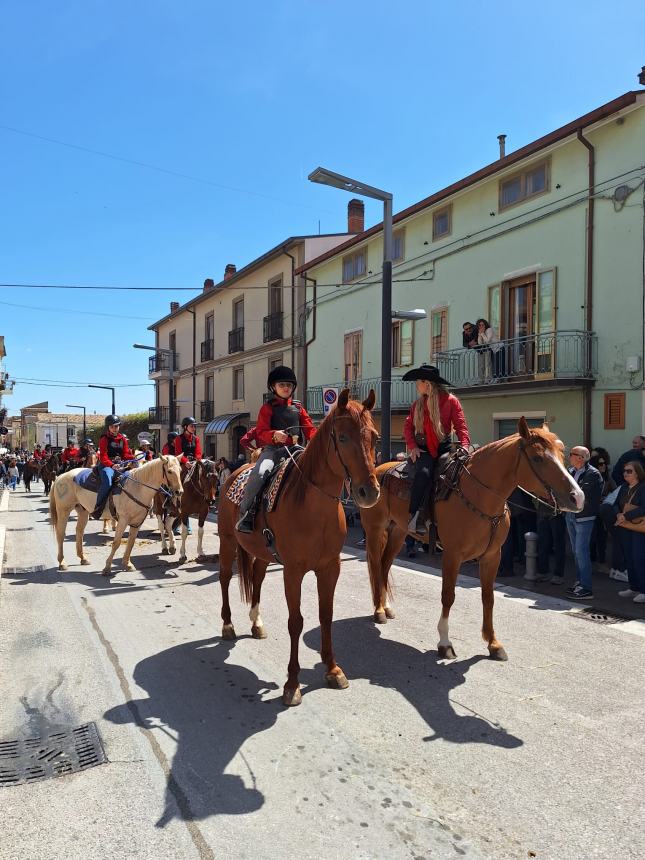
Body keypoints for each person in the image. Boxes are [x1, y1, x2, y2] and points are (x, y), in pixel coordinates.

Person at [236, 365, 316, 533]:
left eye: (289, 385)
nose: (286, 388)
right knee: (259, 474)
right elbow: (260, 432)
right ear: (273, 387)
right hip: (272, 451)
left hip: (296, 449)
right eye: (281, 385)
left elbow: (310, 430)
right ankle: (246, 514)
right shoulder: (267, 408)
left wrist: (320, 441)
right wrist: (273, 434)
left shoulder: (299, 408)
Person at [402, 363, 471, 535]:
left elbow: (461, 426)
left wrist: (465, 445)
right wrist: (412, 447)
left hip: (444, 448)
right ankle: (416, 515)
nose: (417, 384)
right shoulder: (417, 404)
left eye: (419, 381)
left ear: (428, 383)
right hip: (423, 449)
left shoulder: (451, 401)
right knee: (424, 474)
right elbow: (408, 427)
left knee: (457, 474)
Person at [565, 446, 603, 599]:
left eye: (572, 454)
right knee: (576, 551)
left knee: (582, 552)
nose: (569, 456)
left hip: (584, 517)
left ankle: (586, 587)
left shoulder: (592, 474)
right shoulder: (571, 471)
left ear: (581, 457)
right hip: (571, 515)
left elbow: (580, 495)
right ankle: (580, 582)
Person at [613, 460, 645, 603]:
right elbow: (613, 503)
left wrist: (625, 515)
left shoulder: (643, 487)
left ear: (638, 473)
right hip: (625, 526)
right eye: (624, 471)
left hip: (639, 528)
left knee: (639, 558)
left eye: (629, 471)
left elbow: (644, 508)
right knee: (629, 557)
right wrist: (618, 514)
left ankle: (643, 590)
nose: (625, 473)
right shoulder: (623, 487)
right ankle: (634, 587)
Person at [92, 415, 133, 519]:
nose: (115, 428)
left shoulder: (123, 439)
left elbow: (125, 454)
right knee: (107, 482)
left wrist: (132, 459)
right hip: (106, 465)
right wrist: (112, 465)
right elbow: (103, 456)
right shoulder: (104, 439)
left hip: (120, 465)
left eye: (117, 426)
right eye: (112, 426)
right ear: (108, 427)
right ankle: (98, 507)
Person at [589, 453, 616, 572]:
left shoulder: (607, 478)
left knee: (602, 536)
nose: (603, 466)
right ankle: (591, 561)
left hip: (603, 511)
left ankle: (601, 561)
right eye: (600, 464)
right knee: (591, 537)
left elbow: (616, 491)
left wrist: (608, 497)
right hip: (591, 511)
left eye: (605, 463)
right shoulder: (590, 476)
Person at [475, 318, 503, 383]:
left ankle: (497, 379)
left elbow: (487, 341)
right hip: (493, 350)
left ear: (485, 325)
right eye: (480, 325)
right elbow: (480, 343)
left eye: (483, 325)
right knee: (494, 364)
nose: (481, 326)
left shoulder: (489, 330)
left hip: (499, 348)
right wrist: (479, 335)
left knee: (498, 363)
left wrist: (482, 334)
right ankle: (495, 378)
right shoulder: (483, 332)